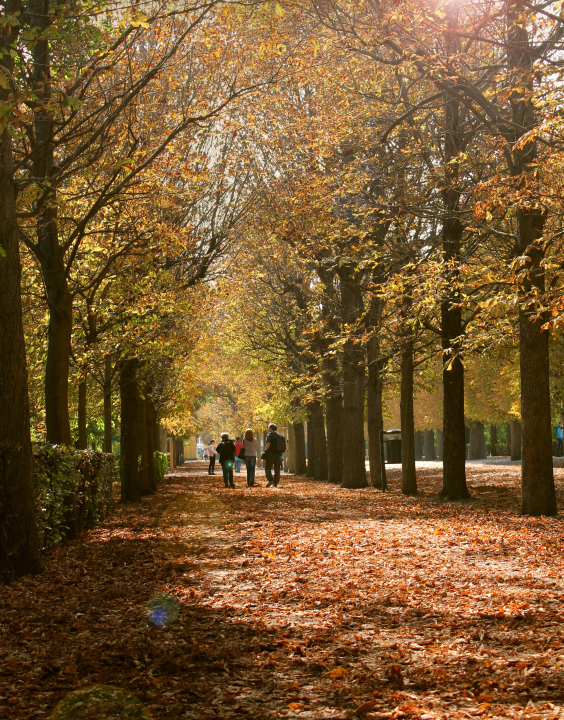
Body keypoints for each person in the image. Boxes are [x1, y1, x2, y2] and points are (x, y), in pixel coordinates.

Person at [264, 422, 284, 488]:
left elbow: (268, 444)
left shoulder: (269, 435)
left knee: (268, 467)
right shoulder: (278, 435)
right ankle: (275, 483)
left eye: (269, 428)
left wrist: (265, 450)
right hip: (278, 454)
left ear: (271, 428)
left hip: (271, 454)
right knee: (277, 469)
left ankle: (270, 479)